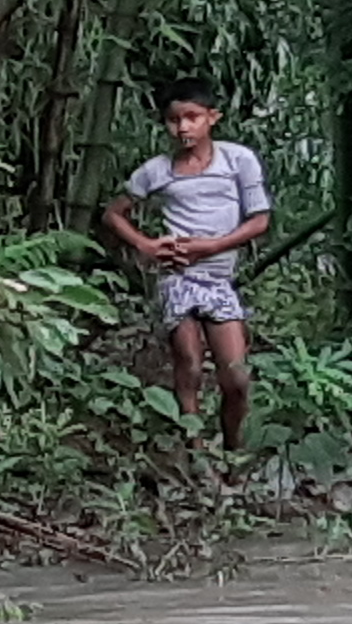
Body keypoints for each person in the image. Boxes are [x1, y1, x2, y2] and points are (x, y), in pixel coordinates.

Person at [101, 81, 272, 445]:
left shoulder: (237, 160)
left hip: (218, 279)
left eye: (192, 117)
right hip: (177, 275)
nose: (183, 128)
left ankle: (233, 450)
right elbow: (114, 213)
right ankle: (194, 452)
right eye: (173, 120)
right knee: (190, 365)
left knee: (236, 378)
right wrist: (145, 245)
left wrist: (212, 246)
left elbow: (260, 220)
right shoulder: (157, 170)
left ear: (213, 118)